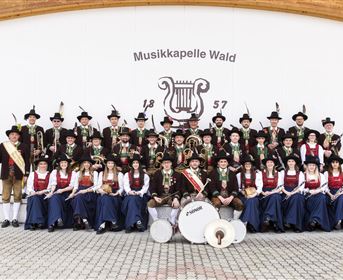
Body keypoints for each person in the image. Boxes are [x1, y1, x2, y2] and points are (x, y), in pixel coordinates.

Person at [0, 125, 30, 228]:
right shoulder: (3, 146)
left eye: (16, 134)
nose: (14, 136)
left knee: (17, 196)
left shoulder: (24, 146)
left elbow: (27, 162)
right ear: (9, 136)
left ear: (18, 136)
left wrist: (26, 174)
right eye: (12, 134)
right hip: (6, 174)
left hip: (18, 174)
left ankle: (14, 219)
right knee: (5, 196)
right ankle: (6, 219)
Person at [147, 153, 181, 226]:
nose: (166, 164)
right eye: (164, 163)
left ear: (171, 163)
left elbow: (179, 189)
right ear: (162, 164)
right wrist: (155, 197)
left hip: (171, 196)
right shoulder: (157, 174)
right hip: (160, 196)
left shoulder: (177, 174)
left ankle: (172, 220)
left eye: (168, 162)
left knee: (177, 205)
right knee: (150, 203)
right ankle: (156, 221)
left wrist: (176, 198)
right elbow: (152, 187)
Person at [45, 154, 76, 232]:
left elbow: (72, 186)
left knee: (59, 199)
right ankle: (53, 223)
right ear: (59, 164)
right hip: (57, 191)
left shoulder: (73, 173)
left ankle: (56, 220)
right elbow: (53, 184)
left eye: (65, 162)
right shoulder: (55, 172)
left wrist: (62, 190)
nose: (63, 164)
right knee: (54, 199)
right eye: (62, 163)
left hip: (67, 193)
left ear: (67, 164)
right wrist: (51, 192)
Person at [209, 151, 244, 219]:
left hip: (229, 196)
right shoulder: (213, 173)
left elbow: (235, 188)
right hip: (217, 197)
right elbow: (212, 187)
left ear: (227, 163)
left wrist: (230, 198)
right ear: (218, 163)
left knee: (239, 204)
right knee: (216, 204)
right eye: (221, 162)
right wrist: (221, 198)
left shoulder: (232, 173)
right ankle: (217, 221)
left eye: (225, 161)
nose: (223, 163)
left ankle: (234, 220)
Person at [68, 155, 99, 230]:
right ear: (82, 164)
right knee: (77, 198)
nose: (86, 164)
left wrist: (86, 190)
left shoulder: (94, 173)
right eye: (84, 163)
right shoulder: (78, 173)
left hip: (90, 193)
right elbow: (76, 186)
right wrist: (72, 193)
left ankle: (78, 222)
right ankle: (84, 220)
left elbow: (96, 186)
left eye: (88, 163)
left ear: (90, 164)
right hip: (79, 191)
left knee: (78, 199)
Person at [95, 155, 124, 234]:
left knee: (107, 200)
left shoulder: (119, 174)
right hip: (103, 194)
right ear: (106, 164)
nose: (110, 165)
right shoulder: (102, 173)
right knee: (105, 199)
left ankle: (102, 225)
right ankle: (113, 222)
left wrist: (117, 193)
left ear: (114, 164)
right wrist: (102, 191)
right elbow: (98, 187)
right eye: (108, 163)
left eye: (112, 163)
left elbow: (122, 188)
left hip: (115, 195)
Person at [121, 154, 150, 233]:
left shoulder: (145, 175)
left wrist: (139, 192)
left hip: (141, 195)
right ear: (131, 164)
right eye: (134, 163)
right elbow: (126, 186)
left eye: (137, 163)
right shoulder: (127, 175)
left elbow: (145, 188)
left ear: (139, 164)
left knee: (133, 201)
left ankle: (129, 225)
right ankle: (138, 221)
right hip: (130, 194)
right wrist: (130, 191)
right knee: (132, 200)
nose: (135, 164)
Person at [257, 155, 284, 233]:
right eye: (268, 162)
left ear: (274, 164)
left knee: (275, 197)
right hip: (264, 194)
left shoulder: (279, 174)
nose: (269, 164)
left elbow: (280, 187)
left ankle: (267, 218)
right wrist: (263, 192)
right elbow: (259, 186)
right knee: (275, 199)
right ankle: (276, 224)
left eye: (271, 162)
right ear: (265, 164)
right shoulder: (260, 173)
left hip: (275, 192)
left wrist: (271, 192)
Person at [303, 156, 330, 231]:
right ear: (307, 166)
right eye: (310, 165)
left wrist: (317, 191)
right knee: (312, 200)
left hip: (318, 193)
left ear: (316, 167)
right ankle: (314, 220)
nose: (311, 167)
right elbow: (301, 188)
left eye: (313, 165)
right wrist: (308, 191)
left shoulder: (320, 175)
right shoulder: (303, 175)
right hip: (308, 195)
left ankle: (314, 220)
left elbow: (324, 187)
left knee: (322, 198)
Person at [24, 156, 50, 230]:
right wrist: (33, 192)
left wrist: (42, 192)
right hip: (34, 194)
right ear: (38, 165)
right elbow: (29, 186)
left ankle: (36, 222)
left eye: (44, 164)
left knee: (38, 199)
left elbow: (50, 188)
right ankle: (36, 222)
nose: (43, 166)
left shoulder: (50, 175)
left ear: (47, 165)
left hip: (45, 195)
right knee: (35, 199)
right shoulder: (33, 174)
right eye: (41, 164)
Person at [281, 154, 305, 232]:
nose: (291, 163)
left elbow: (301, 186)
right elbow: (280, 185)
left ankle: (293, 223)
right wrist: (286, 192)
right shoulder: (282, 172)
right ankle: (293, 223)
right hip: (285, 192)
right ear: (287, 163)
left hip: (296, 192)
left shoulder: (300, 173)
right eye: (289, 161)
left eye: (292, 161)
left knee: (297, 198)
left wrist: (293, 193)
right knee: (294, 199)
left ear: (295, 163)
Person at [237, 155, 260, 233]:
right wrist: (243, 192)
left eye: (249, 164)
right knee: (250, 202)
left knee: (252, 201)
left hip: (254, 195)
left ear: (252, 165)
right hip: (243, 195)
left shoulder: (257, 174)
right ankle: (253, 225)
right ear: (243, 166)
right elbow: (238, 188)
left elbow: (259, 187)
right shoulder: (239, 175)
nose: (247, 166)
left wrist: (253, 195)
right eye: (246, 164)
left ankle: (244, 222)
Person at [20, 106, 45, 171]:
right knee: (25, 170)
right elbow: (20, 142)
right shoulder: (22, 128)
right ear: (28, 118)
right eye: (30, 117)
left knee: (36, 171)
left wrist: (39, 150)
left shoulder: (40, 128)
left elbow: (43, 142)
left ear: (36, 119)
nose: (32, 118)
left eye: (34, 117)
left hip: (36, 153)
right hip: (25, 153)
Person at [324, 154, 343, 230]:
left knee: (341, 199)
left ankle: (338, 221)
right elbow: (325, 186)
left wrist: (340, 193)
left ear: (339, 164)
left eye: (336, 162)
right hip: (329, 193)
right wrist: (331, 195)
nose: (335, 164)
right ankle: (336, 221)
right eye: (333, 162)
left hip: (340, 192)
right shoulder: (326, 173)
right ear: (331, 164)